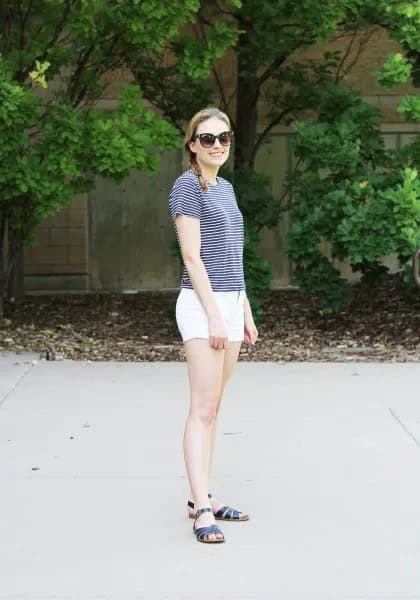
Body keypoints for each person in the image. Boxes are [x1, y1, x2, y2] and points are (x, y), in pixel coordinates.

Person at [169, 107, 259, 544]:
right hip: (202, 307)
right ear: (192, 145)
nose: (217, 144)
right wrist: (215, 314)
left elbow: (233, 256)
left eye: (224, 136)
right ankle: (203, 509)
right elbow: (192, 257)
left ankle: (198, 494)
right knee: (202, 407)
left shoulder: (225, 188)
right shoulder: (188, 187)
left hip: (228, 303)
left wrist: (244, 309)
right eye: (207, 138)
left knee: (215, 406)